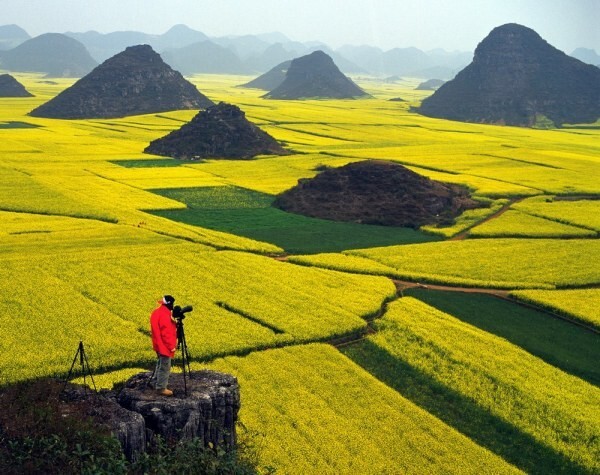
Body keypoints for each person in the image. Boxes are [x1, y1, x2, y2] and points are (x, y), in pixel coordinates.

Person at [149, 294, 178, 396]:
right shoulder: (165, 315)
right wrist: (172, 346)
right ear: (169, 304)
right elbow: (166, 333)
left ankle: (155, 381)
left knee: (160, 363)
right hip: (164, 346)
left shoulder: (156, 312)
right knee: (165, 366)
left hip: (157, 343)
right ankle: (161, 387)